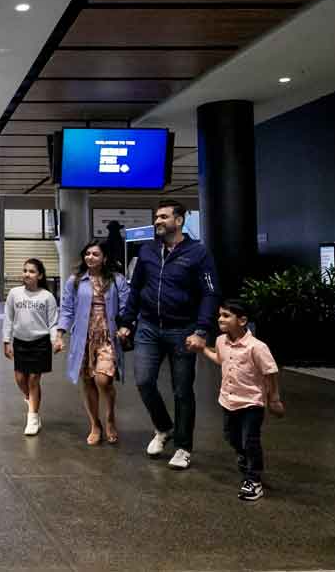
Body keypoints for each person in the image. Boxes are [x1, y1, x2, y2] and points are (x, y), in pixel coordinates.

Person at [116, 200, 220, 470]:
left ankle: (183, 447)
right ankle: (163, 427)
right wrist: (127, 321)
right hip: (149, 327)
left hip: (183, 329)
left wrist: (201, 330)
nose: (157, 221)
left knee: (182, 390)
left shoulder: (198, 253)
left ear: (180, 220)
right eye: (156, 217)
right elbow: (136, 289)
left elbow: (210, 293)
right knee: (144, 380)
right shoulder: (148, 251)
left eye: (163, 217)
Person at [187, 300, 284, 501]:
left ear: (242, 320)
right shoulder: (222, 341)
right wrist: (203, 350)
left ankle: (254, 479)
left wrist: (273, 398)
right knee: (231, 436)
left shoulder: (256, 347)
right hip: (228, 400)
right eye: (220, 315)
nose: (220, 319)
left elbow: (270, 372)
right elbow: (220, 360)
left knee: (250, 439)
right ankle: (244, 456)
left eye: (226, 315)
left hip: (251, 402)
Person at [56, 240, 130, 445]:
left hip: (108, 337)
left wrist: (126, 326)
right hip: (83, 338)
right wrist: (60, 334)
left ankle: (110, 417)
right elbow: (67, 309)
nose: (90, 257)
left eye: (95, 254)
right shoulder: (76, 281)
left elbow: (126, 307)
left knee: (103, 380)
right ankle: (95, 424)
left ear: (104, 258)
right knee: (88, 380)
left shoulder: (117, 280)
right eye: (87, 253)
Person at [3, 258, 62, 436]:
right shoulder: (14, 293)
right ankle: (30, 399)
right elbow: (8, 318)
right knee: (21, 379)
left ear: (40, 275)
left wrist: (55, 340)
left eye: (32, 271)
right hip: (20, 342)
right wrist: (7, 341)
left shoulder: (47, 296)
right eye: (25, 270)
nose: (27, 274)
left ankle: (33, 418)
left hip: (40, 343)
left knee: (34, 379)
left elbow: (53, 323)